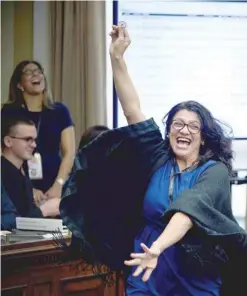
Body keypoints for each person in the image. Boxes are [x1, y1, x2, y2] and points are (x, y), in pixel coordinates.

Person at [59, 26, 247, 296]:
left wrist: (158, 247)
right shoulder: (157, 158)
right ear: (169, 130)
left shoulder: (214, 171)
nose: (184, 130)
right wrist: (116, 57)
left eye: (194, 127)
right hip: (146, 268)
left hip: (194, 274)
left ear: (204, 138)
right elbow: (132, 109)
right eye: (178, 124)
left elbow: (188, 211)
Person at [1, 60, 75, 203]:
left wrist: (58, 184)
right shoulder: (9, 112)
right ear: (19, 84)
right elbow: (3, 153)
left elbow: (69, 152)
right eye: (29, 72)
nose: (36, 74)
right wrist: (27, 187)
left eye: (38, 71)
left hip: (54, 185)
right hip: (17, 184)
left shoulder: (59, 111)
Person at [1, 116, 61, 230]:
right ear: (8, 141)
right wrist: (44, 210)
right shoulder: (5, 175)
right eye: (28, 139)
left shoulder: (21, 174)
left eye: (34, 140)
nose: (34, 145)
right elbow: (12, 223)